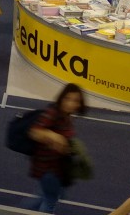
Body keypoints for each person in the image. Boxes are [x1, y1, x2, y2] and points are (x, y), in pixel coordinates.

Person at [23, 83, 87, 212]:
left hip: (57, 168)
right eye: (67, 99)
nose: (70, 103)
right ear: (61, 98)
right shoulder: (52, 113)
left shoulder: (66, 116)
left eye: (75, 100)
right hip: (48, 169)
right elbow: (34, 132)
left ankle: (19, 212)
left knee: (44, 196)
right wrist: (54, 136)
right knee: (50, 201)